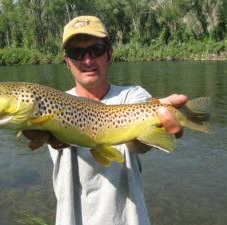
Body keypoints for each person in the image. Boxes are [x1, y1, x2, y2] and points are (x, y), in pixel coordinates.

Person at [24, 15, 186, 225]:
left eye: (96, 50)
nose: (88, 60)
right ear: (67, 61)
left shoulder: (133, 96)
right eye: (77, 53)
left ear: (109, 54)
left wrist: (158, 118)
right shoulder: (49, 103)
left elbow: (139, 146)